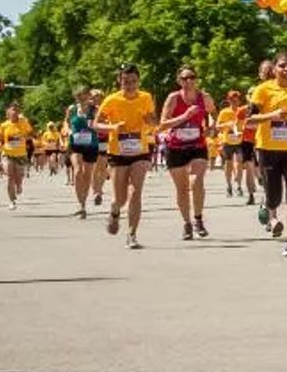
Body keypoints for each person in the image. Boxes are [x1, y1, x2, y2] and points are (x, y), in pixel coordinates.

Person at [247, 52, 287, 257]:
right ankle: (267, 203)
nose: (286, 70)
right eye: (282, 66)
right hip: (268, 149)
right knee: (274, 197)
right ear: (274, 69)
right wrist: (273, 115)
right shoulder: (263, 90)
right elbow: (250, 119)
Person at [96, 66, 156, 249]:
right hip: (118, 152)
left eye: (133, 81)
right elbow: (96, 124)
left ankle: (132, 234)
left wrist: (149, 121)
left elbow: (153, 121)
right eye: (126, 81)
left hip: (140, 151)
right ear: (120, 82)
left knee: (135, 192)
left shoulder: (146, 97)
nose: (130, 85)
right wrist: (113, 128)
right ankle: (114, 212)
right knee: (119, 199)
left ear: (138, 81)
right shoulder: (112, 100)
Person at [160, 67, 216, 240]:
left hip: (197, 145)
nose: (189, 81)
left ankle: (198, 219)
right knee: (182, 189)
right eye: (185, 78)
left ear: (196, 79)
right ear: (179, 81)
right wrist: (184, 116)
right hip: (175, 147)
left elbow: (214, 113)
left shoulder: (204, 97)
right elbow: (163, 124)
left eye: (192, 77)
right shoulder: (173, 98)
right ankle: (187, 223)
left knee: (196, 180)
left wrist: (211, 127)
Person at [63, 87, 102, 219]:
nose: (81, 98)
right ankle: (80, 204)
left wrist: (98, 126)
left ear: (88, 96)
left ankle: (83, 204)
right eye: (78, 96)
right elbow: (66, 122)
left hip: (91, 144)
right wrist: (67, 130)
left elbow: (101, 122)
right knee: (78, 171)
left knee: (87, 175)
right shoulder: (72, 109)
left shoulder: (95, 109)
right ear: (76, 97)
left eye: (84, 95)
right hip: (75, 144)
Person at [0, 103, 32, 209]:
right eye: (12, 110)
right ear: (8, 113)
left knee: (19, 177)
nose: (14, 112)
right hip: (7, 153)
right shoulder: (4, 125)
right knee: (10, 177)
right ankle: (12, 201)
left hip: (21, 154)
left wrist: (23, 136)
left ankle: (19, 185)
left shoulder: (24, 122)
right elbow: (0, 138)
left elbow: (31, 134)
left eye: (16, 110)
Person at [215, 90, 248, 200]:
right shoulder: (224, 112)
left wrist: (243, 129)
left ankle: (238, 185)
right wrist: (227, 124)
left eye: (237, 100)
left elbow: (247, 123)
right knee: (228, 164)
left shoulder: (242, 111)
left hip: (239, 140)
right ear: (229, 101)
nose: (235, 102)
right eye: (232, 100)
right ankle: (228, 185)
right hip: (227, 141)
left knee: (239, 162)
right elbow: (218, 126)